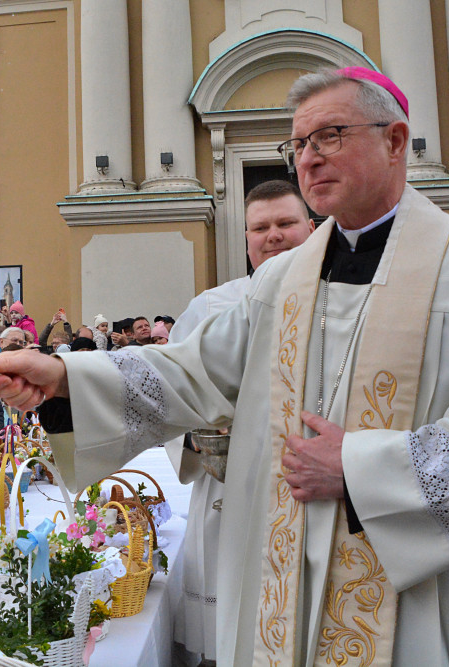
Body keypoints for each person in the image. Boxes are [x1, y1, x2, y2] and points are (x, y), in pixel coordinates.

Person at [0, 67, 449, 665]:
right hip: (289, 594)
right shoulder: (280, 283)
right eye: (299, 145)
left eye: (331, 135)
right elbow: (192, 372)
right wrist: (66, 378)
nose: (309, 159)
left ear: (395, 141)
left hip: (428, 604)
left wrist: (360, 470)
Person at [165, 178, 314, 664]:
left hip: (311, 486)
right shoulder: (209, 307)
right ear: (246, 240)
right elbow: (172, 393)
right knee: (232, 633)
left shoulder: (346, 301)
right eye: (261, 227)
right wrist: (200, 438)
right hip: (227, 486)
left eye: (286, 223)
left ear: (311, 229)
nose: (273, 235)